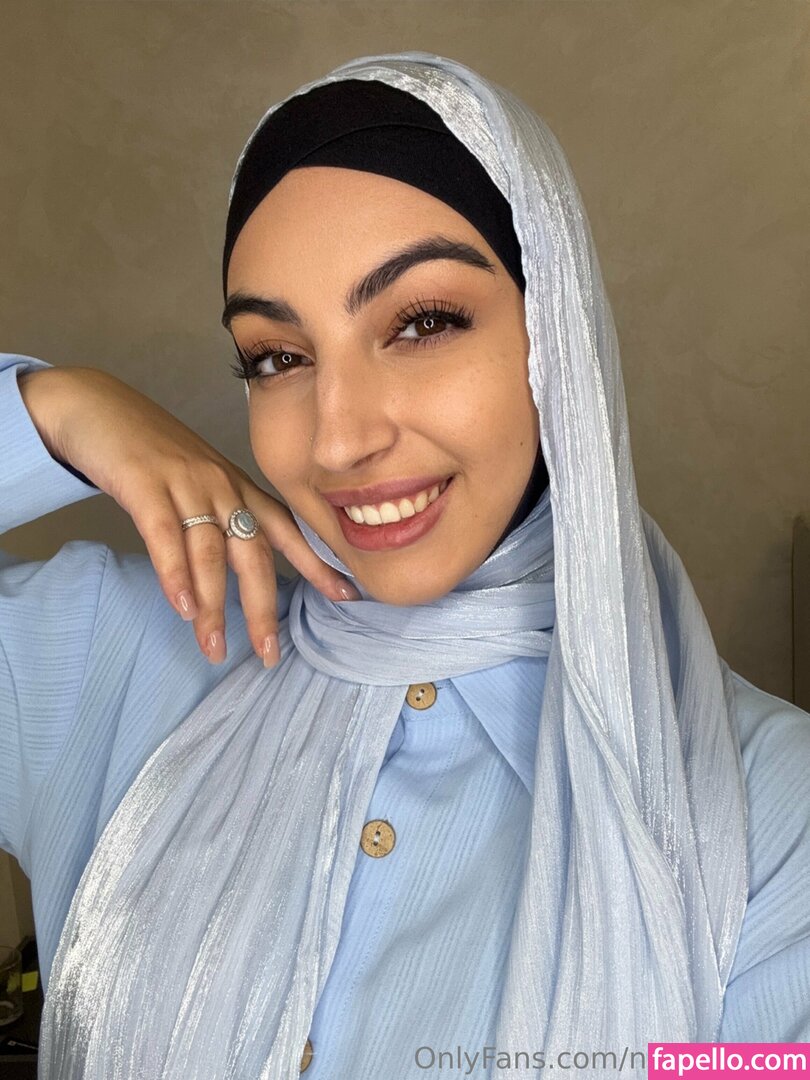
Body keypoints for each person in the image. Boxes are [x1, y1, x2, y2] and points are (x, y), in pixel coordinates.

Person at [1, 51, 808, 1080]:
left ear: (556, 332)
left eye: (422, 324)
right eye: (277, 357)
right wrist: (59, 413)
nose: (338, 440)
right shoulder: (119, 647)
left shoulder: (771, 814)